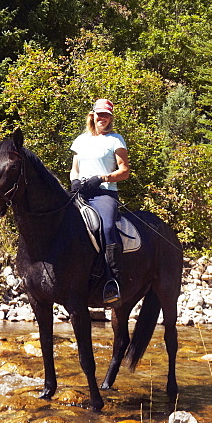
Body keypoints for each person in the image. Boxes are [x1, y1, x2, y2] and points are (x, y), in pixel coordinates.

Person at [69, 98, 129, 308]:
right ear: (92, 115)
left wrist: (102, 178)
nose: (102, 118)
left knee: (108, 226)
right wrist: (75, 181)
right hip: (81, 193)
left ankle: (112, 281)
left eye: (106, 115)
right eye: (99, 114)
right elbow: (75, 168)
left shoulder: (115, 140)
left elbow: (124, 171)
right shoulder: (81, 140)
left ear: (110, 118)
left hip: (104, 194)